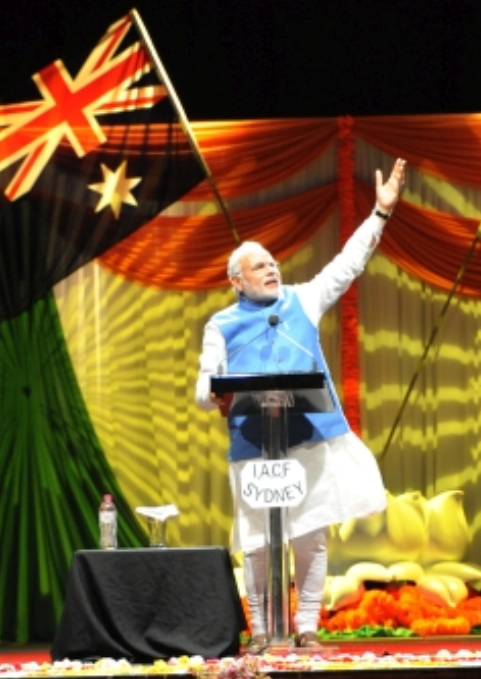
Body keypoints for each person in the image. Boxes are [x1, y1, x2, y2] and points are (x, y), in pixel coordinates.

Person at [195, 158, 407, 653]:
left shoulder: (302, 300)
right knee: (256, 542)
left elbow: (346, 265)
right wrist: (219, 394)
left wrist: (379, 214)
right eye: (260, 266)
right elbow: (204, 389)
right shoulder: (221, 325)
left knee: (310, 536)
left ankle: (307, 626)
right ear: (237, 281)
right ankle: (263, 633)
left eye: (274, 262)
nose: (273, 269)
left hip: (309, 438)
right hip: (253, 445)